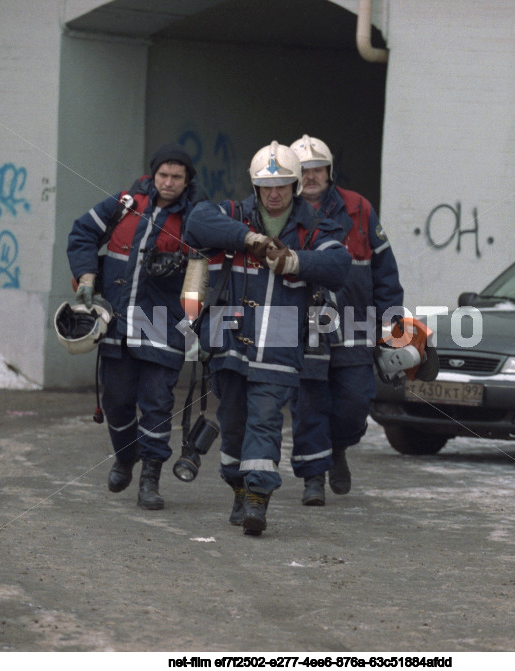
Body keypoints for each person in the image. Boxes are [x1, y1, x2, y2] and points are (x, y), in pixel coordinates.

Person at [184, 141, 351, 536]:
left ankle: (258, 499)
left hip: (279, 335)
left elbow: (339, 264)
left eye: (281, 185)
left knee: (266, 418)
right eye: (266, 185)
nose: (273, 193)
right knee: (233, 419)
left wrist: (295, 261)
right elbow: (196, 222)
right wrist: (249, 240)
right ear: (255, 187)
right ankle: (238, 489)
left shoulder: (314, 226)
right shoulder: (233, 214)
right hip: (230, 331)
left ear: (295, 186)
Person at [67, 143, 202, 511]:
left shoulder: (197, 219)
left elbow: (209, 270)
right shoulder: (125, 204)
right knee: (117, 401)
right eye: (163, 175)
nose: (169, 182)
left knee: (157, 404)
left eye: (177, 177)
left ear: (187, 180)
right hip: (117, 319)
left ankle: (150, 479)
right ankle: (126, 457)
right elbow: (82, 234)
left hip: (162, 322)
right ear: (153, 175)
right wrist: (87, 278)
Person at [288, 135, 405, 506]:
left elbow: (385, 274)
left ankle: (338, 449)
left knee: (354, 404)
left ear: (329, 171)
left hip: (355, 327)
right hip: (303, 330)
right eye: (304, 171)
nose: (311, 177)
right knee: (309, 405)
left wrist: (391, 330)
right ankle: (313, 478)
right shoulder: (280, 212)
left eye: (317, 169)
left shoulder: (359, 209)